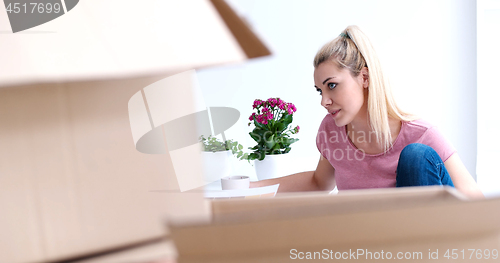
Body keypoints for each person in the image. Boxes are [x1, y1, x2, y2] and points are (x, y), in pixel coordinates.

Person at [251, 25, 483, 199]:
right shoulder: (332, 130)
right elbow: (318, 182)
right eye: (319, 90)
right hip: (375, 241)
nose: (324, 101)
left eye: (331, 85)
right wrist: (248, 189)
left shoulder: (420, 132)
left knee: (416, 157)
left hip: (427, 241)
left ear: (364, 77)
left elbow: (476, 203)